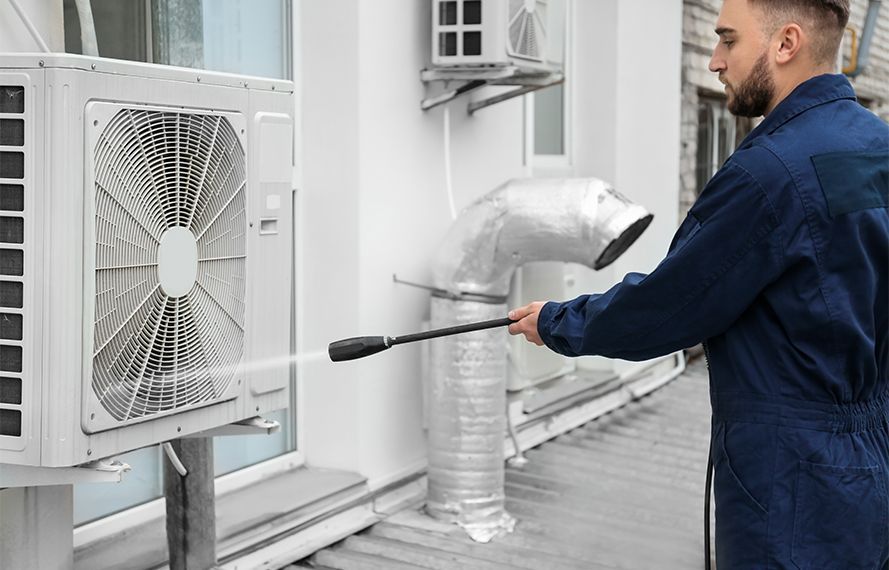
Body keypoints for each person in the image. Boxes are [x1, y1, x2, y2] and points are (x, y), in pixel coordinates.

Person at [508, 0, 889, 567]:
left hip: (793, 480)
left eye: (728, 40)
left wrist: (558, 322)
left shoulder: (769, 173)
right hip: (874, 462)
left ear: (786, 44)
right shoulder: (876, 148)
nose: (714, 60)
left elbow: (670, 305)